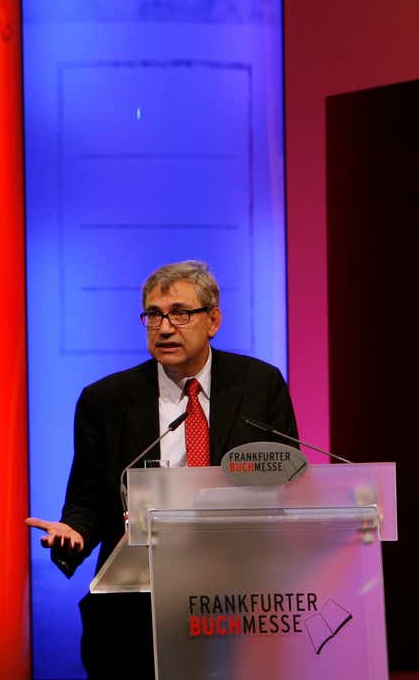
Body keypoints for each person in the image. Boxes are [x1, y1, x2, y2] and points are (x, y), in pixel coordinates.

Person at [25, 260, 299, 679]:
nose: (165, 327)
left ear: (213, 320)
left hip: (237, 596)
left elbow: (286, 478)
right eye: (154, 314)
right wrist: (75, 533)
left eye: (180, 313)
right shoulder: (106, 400)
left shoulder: (260, 385)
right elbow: (88, 498)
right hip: (137, 602)